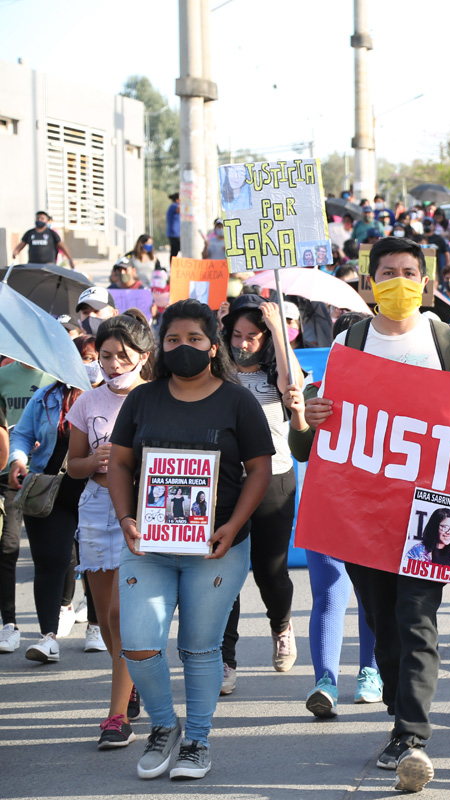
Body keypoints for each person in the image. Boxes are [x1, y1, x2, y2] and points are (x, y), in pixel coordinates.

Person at [303, 236, 450, 792]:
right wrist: (311, 414)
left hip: (433, 507)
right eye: (387, 272)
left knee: (417, 617)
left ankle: (411, 733)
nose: (398, 281)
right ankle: (402, 711)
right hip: (364, 510)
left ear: (425, 282)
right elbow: (320, 434)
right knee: (381, 617)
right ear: (370, 282)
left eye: (408, 272)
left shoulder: (447, 342)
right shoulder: (349, 343)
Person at [108, 299, 274, 781]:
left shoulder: (237, 400)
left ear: (212, 345)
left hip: (216, 547)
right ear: (160, 345)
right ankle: (165, 726)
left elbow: (259, 469)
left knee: (201, 647)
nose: (184, 348)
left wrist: (233, 523)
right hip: (149, 545)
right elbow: (119, 464)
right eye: (174, 340)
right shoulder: (142, 399)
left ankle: (197, 739)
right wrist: (125, 518)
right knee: (139, 642)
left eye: (195, 340)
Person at [283, 311, 381, 720]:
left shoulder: (398, 390)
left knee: (372, 599)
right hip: (328, 506)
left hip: (377, 513)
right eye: (347, 343)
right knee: (328, 594)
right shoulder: (318, 391)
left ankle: (370, 673)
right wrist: (301, 415)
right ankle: (324, 681)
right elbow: (301, 448)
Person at [64, 313, 155, 748]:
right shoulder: (87, 402)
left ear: (143, 355)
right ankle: (130, 678)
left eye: (123, 355)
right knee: (105, 620)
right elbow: (72, 465)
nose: (114, 363)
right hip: (96, 511)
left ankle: (116, 716)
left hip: (143, 514)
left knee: (122, 615)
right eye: (105, 355)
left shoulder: (158, 399)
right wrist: (96, 460)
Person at [219, 293, 305, 693]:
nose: (243, 343)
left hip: (274, 477)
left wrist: (277, 329)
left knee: (270, 571)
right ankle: (225, 660)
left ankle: (281, 626)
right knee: (225, 574)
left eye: (253, 336)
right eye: (237, 334)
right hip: (226, 482)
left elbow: (295, 389)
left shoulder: (277, 371)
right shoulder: (218, 371)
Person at [7, 336, 98, 664]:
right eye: (78, 358)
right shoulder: (46, 396)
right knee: (52, 562)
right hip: (49, 490)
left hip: (96, 491)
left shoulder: (108, 398)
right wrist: (18, 459)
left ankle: (97, 626)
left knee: (95, 560)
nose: (85, 365)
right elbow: (22, 434)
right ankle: (48, 637)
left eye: (92, 358)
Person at [0, 360, 56, 653]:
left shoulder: (54, 378)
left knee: (52, 553)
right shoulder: (2, 377)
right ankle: (9, 624)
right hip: (10, 472)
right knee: (7, 549)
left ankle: (68, 613)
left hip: (43, 476)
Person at [166, 193, 181, 258]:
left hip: (177, 233)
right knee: (174, 251)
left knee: (175, 251)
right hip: (174, 233)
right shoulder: (174, 206)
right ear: (177, 200)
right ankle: (173, 265)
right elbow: (180, 209)